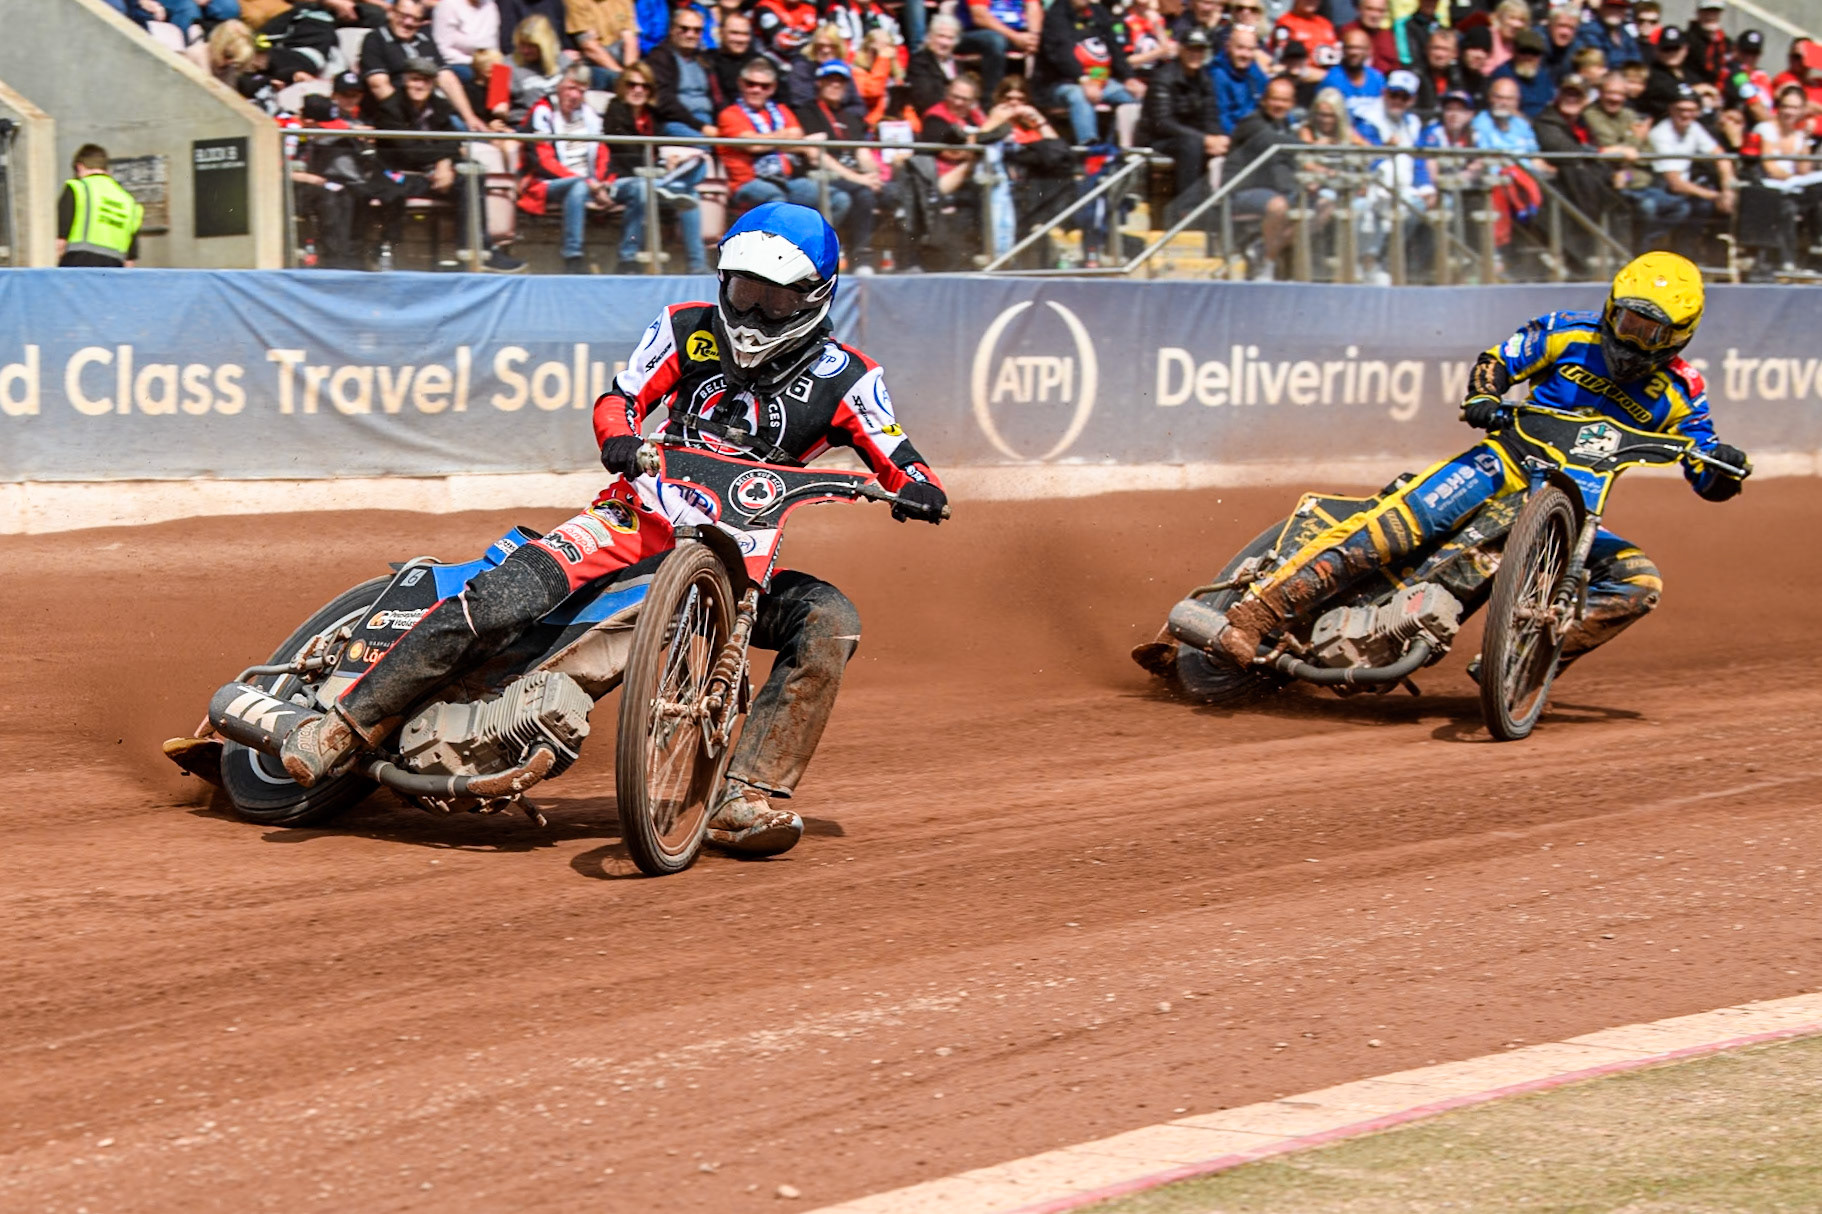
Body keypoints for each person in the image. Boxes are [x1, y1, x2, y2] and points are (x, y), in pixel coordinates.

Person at [281, 202, 948, 859]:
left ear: (813, 298)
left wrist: (919, 488)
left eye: (773, 302)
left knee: (828, 618)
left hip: (738, 564)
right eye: (743, 292)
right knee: (503, 597)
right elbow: (619, 397)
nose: (751, 314)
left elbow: (898, 453)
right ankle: (347, 725)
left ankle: (745, 796)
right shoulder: (687, 328)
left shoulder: (850, 378)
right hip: (629, 522)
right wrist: (621, 438)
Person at [1204, 252, 1750, 674]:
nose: (1635, 340)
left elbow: (1704, 465)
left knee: (1640, 582)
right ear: (1611, 309)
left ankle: (1521, 665)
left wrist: (1723, 467)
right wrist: (1484, 397)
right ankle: (1256, 616)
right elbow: (1499, 362)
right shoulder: (1567, 331)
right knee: (1392, 530)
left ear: (1679, 336)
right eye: (1629, 322)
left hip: (1572, 515)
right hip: (1502, 463)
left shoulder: (1681, 390)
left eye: (1651, 333)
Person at [373, 58, 527, 272]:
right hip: (400, 176)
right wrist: (443, 160)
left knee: (473, 171)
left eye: (426, 81)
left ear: (433, 84)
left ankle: (476, 251)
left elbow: (453, 141)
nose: (420, 86)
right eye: (415, 79)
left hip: (432, 173)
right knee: (463, 170)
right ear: (405, 80)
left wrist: (445, 163)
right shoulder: (390, 108)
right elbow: (407, 150)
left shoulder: (439, 106)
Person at [602, 61, 710, 273]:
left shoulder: (652, 116)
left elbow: (658, 146)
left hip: (653, 176)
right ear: (623, 87)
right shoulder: (615, 110)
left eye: (644, 86)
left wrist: (671, 160)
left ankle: (697, 264)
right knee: (643, 188)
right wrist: (661, 164)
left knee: (692, 192)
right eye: (632, 85)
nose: (638, 90)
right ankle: (628, 258)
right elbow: (625, 153)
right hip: (624, 179)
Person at [718, 56, 848, 222]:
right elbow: (753, 146)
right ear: (741, 83)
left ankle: (815, 244)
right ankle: (777, 247)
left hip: (786, 180)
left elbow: (798, 139)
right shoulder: (730, 114)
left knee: (837, 199)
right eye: (751, 84)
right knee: (778, 202)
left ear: (772, 88)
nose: (757, 90)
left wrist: (766, 140)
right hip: (747, 183)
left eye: (764, 86)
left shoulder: (781, 110)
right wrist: (782, 138)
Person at [797, 61, 883, 270]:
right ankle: (856, 257)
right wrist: (859, 179)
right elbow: (817, 156)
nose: (835, 85)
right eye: (830, 80)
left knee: (892, 193)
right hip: (823, 175)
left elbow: (862, 152)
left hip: (855, 178)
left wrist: (874, 176)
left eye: (841, 81)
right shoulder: (807, 112)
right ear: (820, 83)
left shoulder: (852, 117)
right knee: (861, 194)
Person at [360, 0, 487, 131]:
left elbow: (446, 78)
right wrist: (408, 117)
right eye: (403, 16)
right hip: (395, 119)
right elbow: (378, 85)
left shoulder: (425, 40)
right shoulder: (375, 40)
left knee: (476, 132)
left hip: (431, 113)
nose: (408, 23)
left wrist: (469, 117)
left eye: (415, 19)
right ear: (391, 13)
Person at [1223, 75, 1299, 277]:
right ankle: (1267, 263)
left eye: (1284, 100)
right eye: (1275, 99)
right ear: (1264, 100)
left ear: (1291, 104)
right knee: (1278, 206)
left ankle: (1263, 246)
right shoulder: (1252, 123)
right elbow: (1274, 143)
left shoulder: (1285, 126)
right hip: (1240, 192)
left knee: (1322, 208)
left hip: (1274, 189)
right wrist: (1312, 148)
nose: (1279, 105)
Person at [1035, 0, 1139, 146]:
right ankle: (1088, 148)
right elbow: (1062, 53)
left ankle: (1117, 148)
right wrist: (1083, 79)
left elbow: (1114, 48)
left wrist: (1129, 78)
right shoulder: (1057, 14)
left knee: (1134, 97)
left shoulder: (1098, 12)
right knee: (1079, 96)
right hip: (1062, 83)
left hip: (1101, 81)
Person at [1647, 84, 1737, 240]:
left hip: (1683, 189)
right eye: (1680, 109)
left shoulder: (1694, 128)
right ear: (1671, 109)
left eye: (1691, 110)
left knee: (1706, 206)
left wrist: (1728, 190)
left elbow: (1721, 157)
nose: (1686, 115)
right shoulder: (1661, 134)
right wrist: (1716, 196)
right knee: (1691, 207)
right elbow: (1674, 182)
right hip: (1660, 188)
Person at [1143, 27, 1224, 200]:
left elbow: (1210, 116)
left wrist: (1217, 138)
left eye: (1200, 49)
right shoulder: (1163, 77)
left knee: (1224, 144)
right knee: (1192, 144)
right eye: (1191, 49)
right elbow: (1162, 122)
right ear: (1181, 49)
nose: (1195, 54)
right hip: (1159, 140)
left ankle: (1220, 206)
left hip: (1190, 137)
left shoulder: (1204, 79)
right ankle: (1186, 208)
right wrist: (1204, 139)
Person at [56, 144, 144, 268]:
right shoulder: (129, 201)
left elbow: (60, 241)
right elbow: (129, 261)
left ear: (79, 167)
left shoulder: (77, 188)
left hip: (77, 267)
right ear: (106, 169)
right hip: (113, 272)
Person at [648, 5, 724, 137]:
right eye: (684, 29)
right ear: (672, 29)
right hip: (676, 122)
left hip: (708, 121)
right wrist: (701, 127)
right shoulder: (660, 57)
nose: (690, 35)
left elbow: (718, 97)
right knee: (704, 143)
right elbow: (664, 101)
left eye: (697, 30)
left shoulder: (705, 60)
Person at [962, 0, 1043, 101]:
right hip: (977, 33)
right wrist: (1015, 37)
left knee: (1050, 39)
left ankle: (1037, 100)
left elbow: (1033, 6)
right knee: (995, 41)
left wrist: (1034, 37)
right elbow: (979, 16)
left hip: (1016, 33)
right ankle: (990, 101)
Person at [567, 0, 642, 85]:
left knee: (645, 75)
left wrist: (630, 73)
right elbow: (589, 47)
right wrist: (621, 75)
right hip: (595, 63)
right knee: (612, 79)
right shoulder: (576, 2)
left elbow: (630, 38)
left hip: (622, 57)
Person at [1213, 24, 1270, 135]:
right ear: (1228, 46)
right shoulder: (1218, 75)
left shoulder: (1253, 69)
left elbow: (1271, 95)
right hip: (1236, 137)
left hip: (1258, 129)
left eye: (1250, 49)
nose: (1245, 54)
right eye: (1240, 48)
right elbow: (1221, 117)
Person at [1321, 27, 1386, 119]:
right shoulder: (1332, 80)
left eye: (1359, 48)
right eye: (1350, 47)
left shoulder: (1377, 78)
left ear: (1368, 51)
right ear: (1343, 50)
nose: (1354, 52)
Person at [1491, 29, 1556, 119]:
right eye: (1524, 52)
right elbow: (1503, 107)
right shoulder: (1502, 75)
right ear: (1514, 52)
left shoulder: (1543, 76)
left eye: (1534, 53)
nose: (1528, 57)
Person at [909, 13, 965, 113]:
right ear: (930, 37)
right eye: (941, 36)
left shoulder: (957, 65)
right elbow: (927, 99)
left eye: (950, 38)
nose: (945, 43)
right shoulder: (919, 62)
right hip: (933, 118)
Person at [431, 0, 500, 81]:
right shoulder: (447, 5)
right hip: (457, 63)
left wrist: (490, 63)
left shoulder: (490, 6)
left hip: (485, 61)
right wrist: (475, 63)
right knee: (470, 76)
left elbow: (493, 44)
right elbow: (441, 48)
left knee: (502, 75)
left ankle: (499, 93)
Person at [1571, 0, 1643, 71]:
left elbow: (1636, 61)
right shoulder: (1589, 31)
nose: (1614, 11)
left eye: (1620, 7)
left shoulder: (1624, 33)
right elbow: (1600, 63)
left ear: (1625, 11)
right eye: (1611, 6)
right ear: (1601, 8)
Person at [1339, 0, 1398, 75]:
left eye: (1380, 11)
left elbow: (1396, 66)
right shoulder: (1347, 32)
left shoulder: (1388, 36)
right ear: (1359, 9)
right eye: (1369, 9)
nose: (1375, 15)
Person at [1685, 0, 1730, 87]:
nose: (1711, 16)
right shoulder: (1687, 41)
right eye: (1707, 11)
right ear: (1698, 13)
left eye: (1715, 11)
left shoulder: (1726, 44)